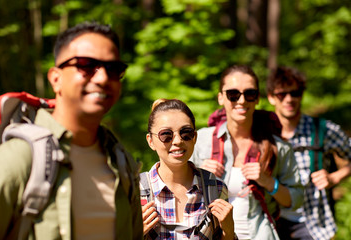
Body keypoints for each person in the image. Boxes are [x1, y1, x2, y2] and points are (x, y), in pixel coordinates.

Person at [0, 22, 143, 239]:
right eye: (86, 65)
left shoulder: (123, 166)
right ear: (56, 78)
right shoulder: (16, 160)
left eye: (113, 69)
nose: (101, 78)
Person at [190, 65, 304, 239]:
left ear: (257, 98)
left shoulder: (277, 147)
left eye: (249, 94)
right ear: (220, 97)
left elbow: (295, 200)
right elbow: (175, 189)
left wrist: (268, 182)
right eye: (233, 94)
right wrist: (199, 176)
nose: (241, 101)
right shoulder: (199, 141)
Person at [267, 66, 351, 240]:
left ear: (302, 95)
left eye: (295, 93)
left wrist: (334, 177)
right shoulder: (262, 133)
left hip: (313, 224)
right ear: (271, 97)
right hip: (270, 221)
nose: (289, 99)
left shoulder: (322, 130)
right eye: (282, 94)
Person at [141, 99, 235, 240]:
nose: (178, 141)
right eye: (166, 134)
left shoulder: (216, 188)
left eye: (186, 133)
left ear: (195, 137)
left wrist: (228, 231)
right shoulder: (136, 191)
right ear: (150, 141)